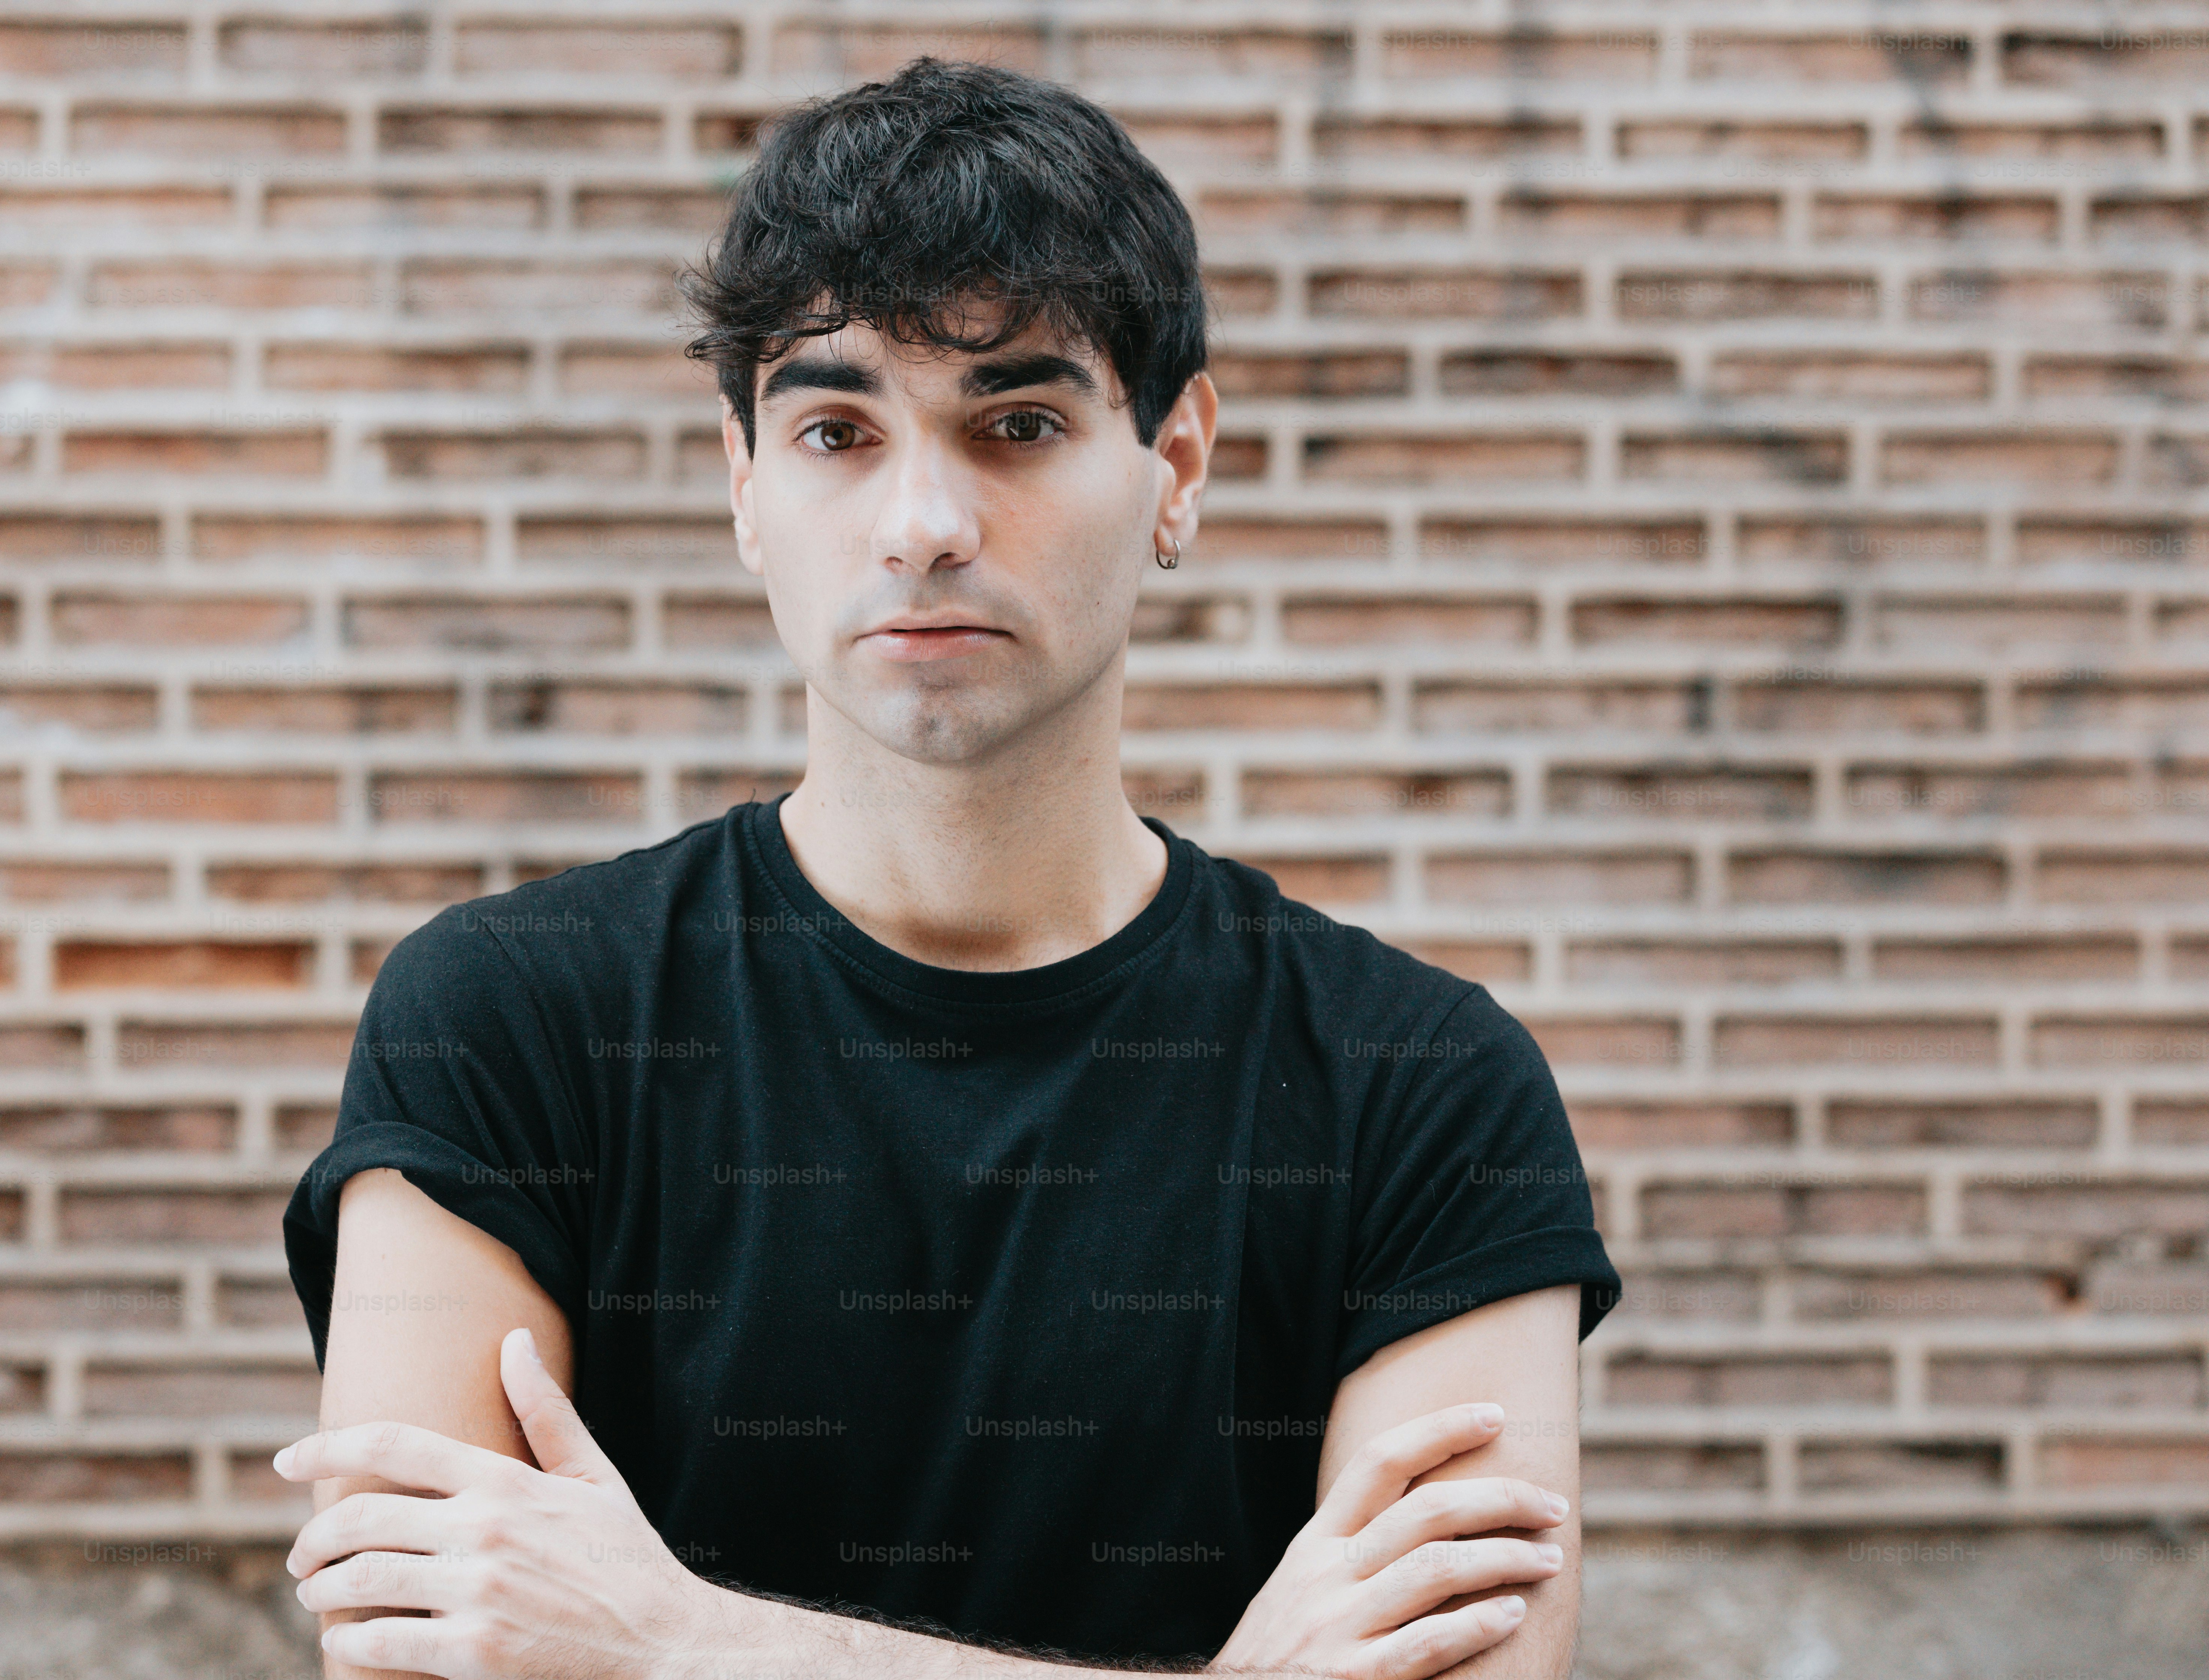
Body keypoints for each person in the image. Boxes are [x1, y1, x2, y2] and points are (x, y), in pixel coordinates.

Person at [277, 55, 1619, 1680]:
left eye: (1019, 423)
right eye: (838, 428)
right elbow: (421, 1666)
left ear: (1175, 465)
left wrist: (685, 1644)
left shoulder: (1424, 1089)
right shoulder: (505, 1022)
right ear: (743, 484)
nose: (921, 521)